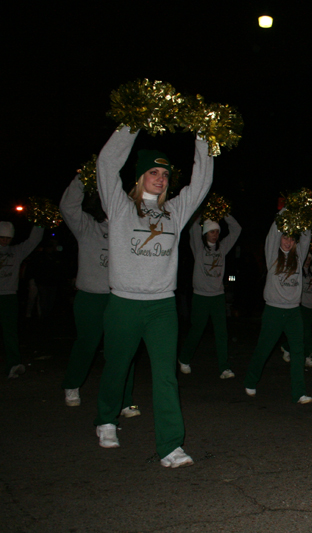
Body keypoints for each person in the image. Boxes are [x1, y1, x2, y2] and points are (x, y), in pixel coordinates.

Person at [93, 126, 213, 468]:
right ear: (140, 175)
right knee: (117, 367)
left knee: (165, 375)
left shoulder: (175, 211)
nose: (160, 179)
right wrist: (131, 124)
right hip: (124, 304)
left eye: (164, 174)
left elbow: (201, 182)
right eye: (153, 172)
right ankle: (105, 420)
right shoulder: (119, 207)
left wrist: (205, 139)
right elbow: (106, 164)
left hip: (162, 305)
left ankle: (171, 446)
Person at [60, 175, 136, 411]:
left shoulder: (124, 227)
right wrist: (85, 176)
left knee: (124, 349)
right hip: (90, 297)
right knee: (87, 343)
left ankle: (125, 400)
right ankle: (72, 384)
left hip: (117, 297)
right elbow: (67, 207)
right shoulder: (86, 226)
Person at [243, 211, 312, 404]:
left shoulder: (299, 256)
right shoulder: (272, 253)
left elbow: (307, 235)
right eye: (285, 237)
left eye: (291, 238)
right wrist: (286, 211)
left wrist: (302, 212)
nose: (287, 242)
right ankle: (250, 380)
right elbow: (272, 233)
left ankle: (299, 392)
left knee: (298, 351)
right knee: (264, 348)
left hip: (293, 311)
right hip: (273, 310)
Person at [178, 215, 241, 378]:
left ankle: (224, 368)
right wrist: (203, 212)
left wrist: (225, 213)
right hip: (200, 296)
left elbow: (237, 230)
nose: (215, 234)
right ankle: (184, 358)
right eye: (211, 231)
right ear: (205, 233)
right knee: (197, 330)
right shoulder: (198, 247)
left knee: (221, 332)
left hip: (217, 296)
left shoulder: (222, 247)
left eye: (217, 231)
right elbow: (193, 227)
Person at [0, 221, 43, 378]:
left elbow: (33, 241)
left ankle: (13, 364)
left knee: (10, 332)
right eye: (1, 237)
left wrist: (40, 222)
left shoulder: (16, 251)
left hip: (9, 295)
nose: (5, 241)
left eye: (7, 238)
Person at [282, 251, 312, 367]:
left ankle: (287, 347)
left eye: (309, 258)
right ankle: (308, 355)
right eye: (306, 258)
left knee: (301, 331)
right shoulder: (298, 271)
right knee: (306, 332)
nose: (307, 260)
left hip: (310, 307)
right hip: (301, 305)